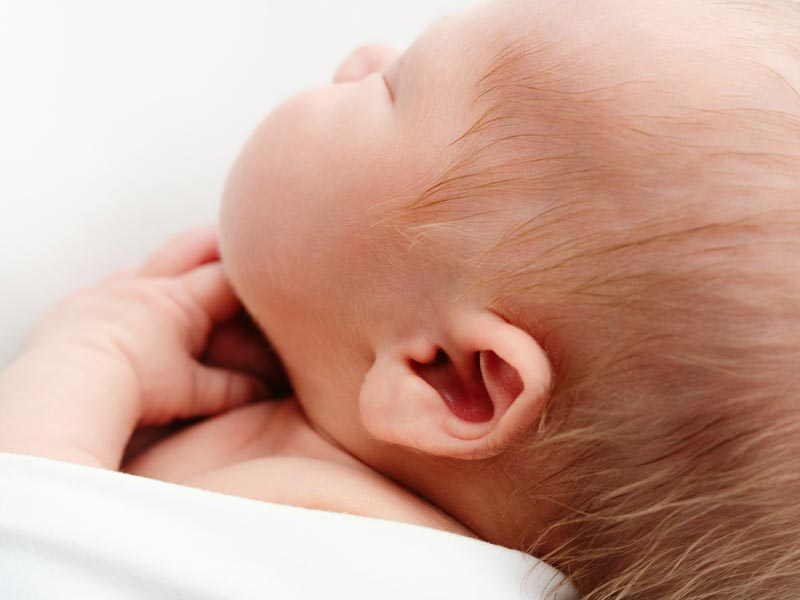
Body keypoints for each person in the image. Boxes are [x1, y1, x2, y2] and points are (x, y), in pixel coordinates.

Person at [2, 0, 800, 597]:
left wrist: (76, 372)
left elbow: (31, 559)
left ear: (451, 379)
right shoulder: (329, 485)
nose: (359, 54)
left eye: (391, 88)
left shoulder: (351, 565)